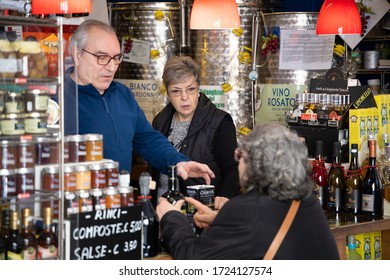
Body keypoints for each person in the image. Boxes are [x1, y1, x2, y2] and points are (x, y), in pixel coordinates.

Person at [59, 19, 214, 182]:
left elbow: (147, 139)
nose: (111, 67)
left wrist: (179, 162)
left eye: (116, 58)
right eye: (102, 57)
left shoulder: (123, 94)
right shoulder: (58, 100)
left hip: (118, 199)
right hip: (76, 200)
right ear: (77, 55)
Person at [156, 123, 340, 260]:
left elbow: (193, 260)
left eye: (240, 155)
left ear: (255, 163)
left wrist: (171, 217)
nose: (237, 162)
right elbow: (264, 228)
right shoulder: (306, 199)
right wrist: (221, 219)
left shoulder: (246, 209)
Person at [152, 56, 240, 205]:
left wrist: (224, 198)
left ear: (199, 88)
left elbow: (233, 170)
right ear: (167, 93)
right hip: (162, 213)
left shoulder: (219, 122)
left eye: (190, 89)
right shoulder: (159, 122)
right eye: (176, 91)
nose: (184, 97)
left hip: (201, 213)